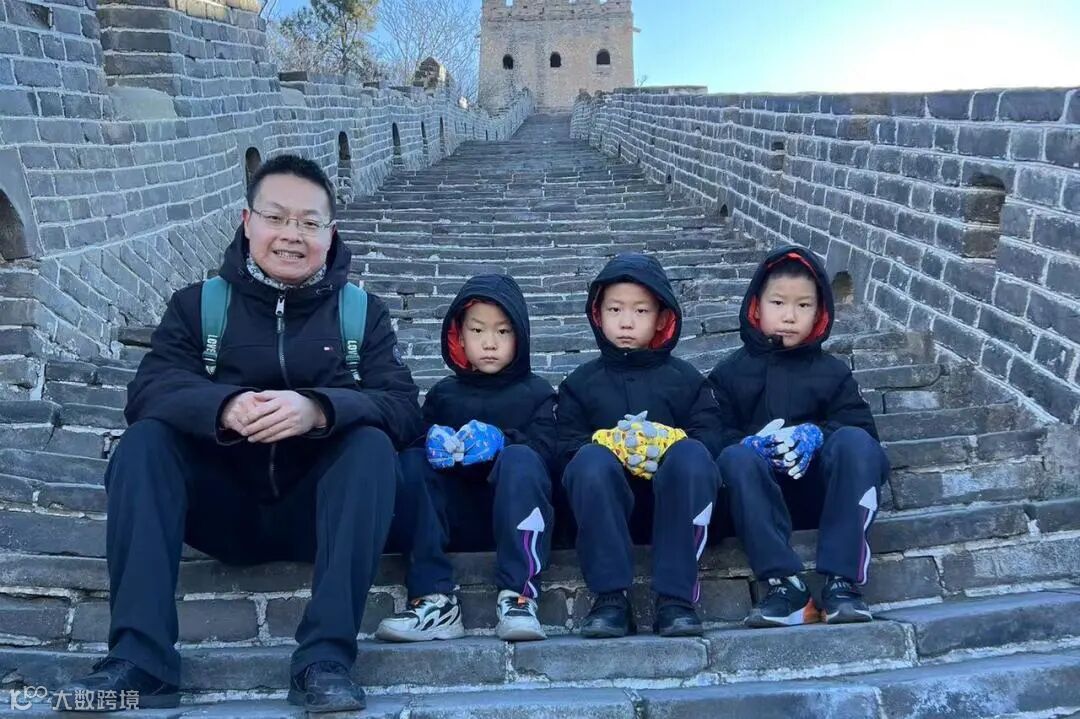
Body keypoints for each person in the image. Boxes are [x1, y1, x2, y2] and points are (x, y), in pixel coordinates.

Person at [55, 154, 422, 713]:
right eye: (276, 217)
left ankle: (325, 659)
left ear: (330, 233)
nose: (292, 235)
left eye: (309, 222)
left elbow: (403, 409)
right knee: (144, 444)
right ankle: (141, 660)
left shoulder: (361, 314)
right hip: (219, 508)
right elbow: (149, 390)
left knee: (371, 445)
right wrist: (223, 406)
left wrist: (318, 410)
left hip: (318, 514)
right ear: (247, 222)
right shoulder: (198, 306)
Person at [710, 245, 889, 629]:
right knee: (733, 458)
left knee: (856, 443)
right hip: (753, 500)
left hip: (823, 495)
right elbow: (711, 436)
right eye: (778, 303)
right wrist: (749, 445)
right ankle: (785, 586)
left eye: (804, 305)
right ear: (757, 306)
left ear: (820, 312)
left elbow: (865, 436)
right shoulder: (728, 375)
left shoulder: (833, 373)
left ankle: (842, 582)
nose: (790, 316)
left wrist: (817, 435)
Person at [378, 274, 556, 643]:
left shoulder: (538, 392)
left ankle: (519, 597)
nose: (490, 342)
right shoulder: (443, 394)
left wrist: (504, 441)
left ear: (520, 337)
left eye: (503, 332)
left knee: (521, 459)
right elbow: (414, 445)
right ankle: (434, 599)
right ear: (459, 336)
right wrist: (430, 441)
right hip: (452, 520)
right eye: (477, 331)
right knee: (409, 462)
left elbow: (551, 453)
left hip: (516, 517)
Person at [557, 253, 724, 639]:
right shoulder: (579, 384)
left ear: (662, 318)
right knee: (588, 461)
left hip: (677, 508)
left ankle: (676, 598)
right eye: (615, 309)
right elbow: (562, 449)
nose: (627, 321)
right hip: (604, 513)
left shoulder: (687, 380)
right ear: (598, 314)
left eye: (641, 310)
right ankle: (610, 599)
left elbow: (712, 438)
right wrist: (604, 444)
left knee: (692, 455)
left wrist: (672, 442)